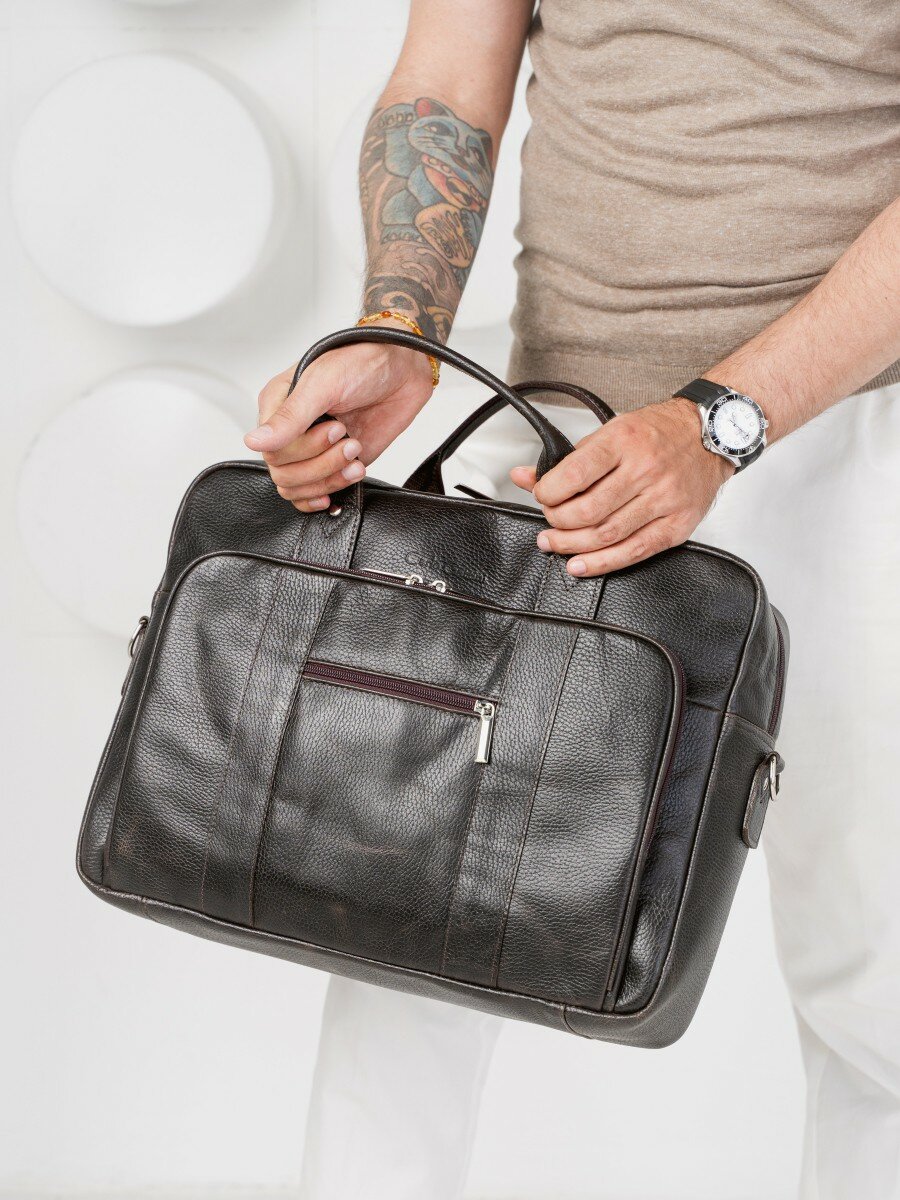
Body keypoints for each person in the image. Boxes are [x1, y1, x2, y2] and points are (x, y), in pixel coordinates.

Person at [245, 3, 900, 1196]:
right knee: (404, 929)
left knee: (877, 972)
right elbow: (449, 71)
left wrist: (720, 423)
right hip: (557, 440)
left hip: (848, 436)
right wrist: (399, 327)